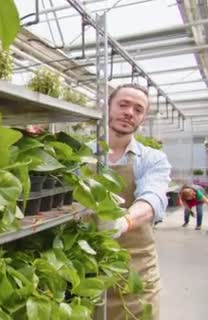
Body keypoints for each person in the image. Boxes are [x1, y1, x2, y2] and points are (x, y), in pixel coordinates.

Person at [95, 83, 172, 320]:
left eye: (138, 109)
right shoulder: (82, 154)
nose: (130, 112)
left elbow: (153, 197)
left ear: (142, 118)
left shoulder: (152, 159)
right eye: (123, 104)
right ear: (108, 107)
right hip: (89, 269)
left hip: (135, 272)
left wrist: (124, 221)